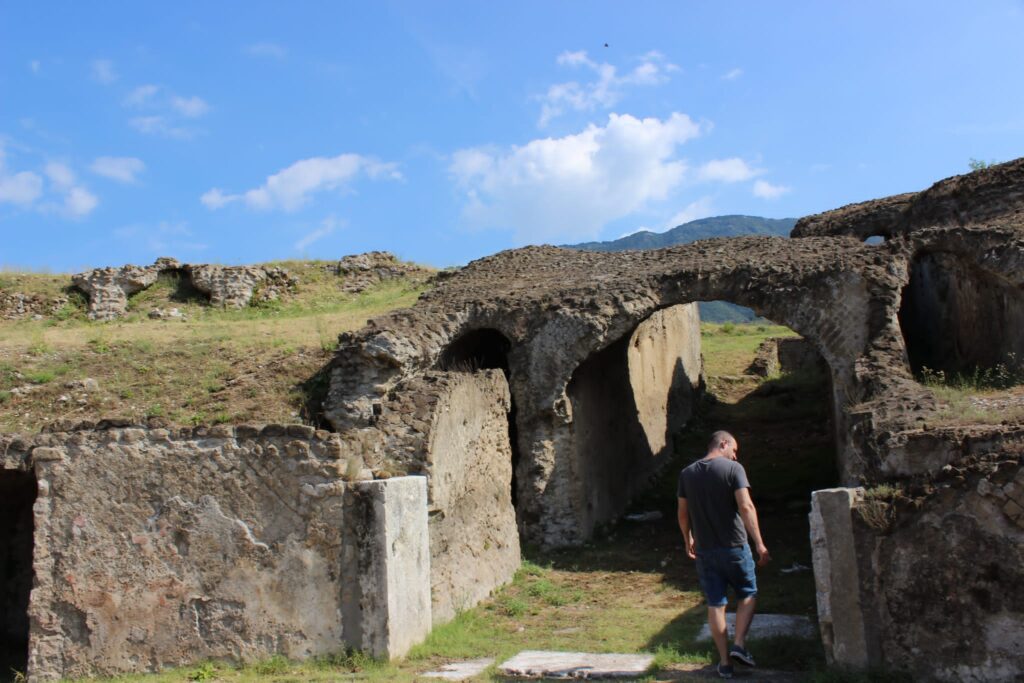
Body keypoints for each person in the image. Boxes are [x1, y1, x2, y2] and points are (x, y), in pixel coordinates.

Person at [677, 430, 770, 679]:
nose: (735, 456)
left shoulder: (687, 473)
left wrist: (688, 539)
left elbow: (683, 513)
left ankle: (724, 661)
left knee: (716, 604)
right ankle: (739, 644)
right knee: (748, 594)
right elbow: (746, 506)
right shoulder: (733, 470)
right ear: (724, 444)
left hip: (706, 550)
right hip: (735, 547)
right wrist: (759, 543)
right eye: (734, 450)